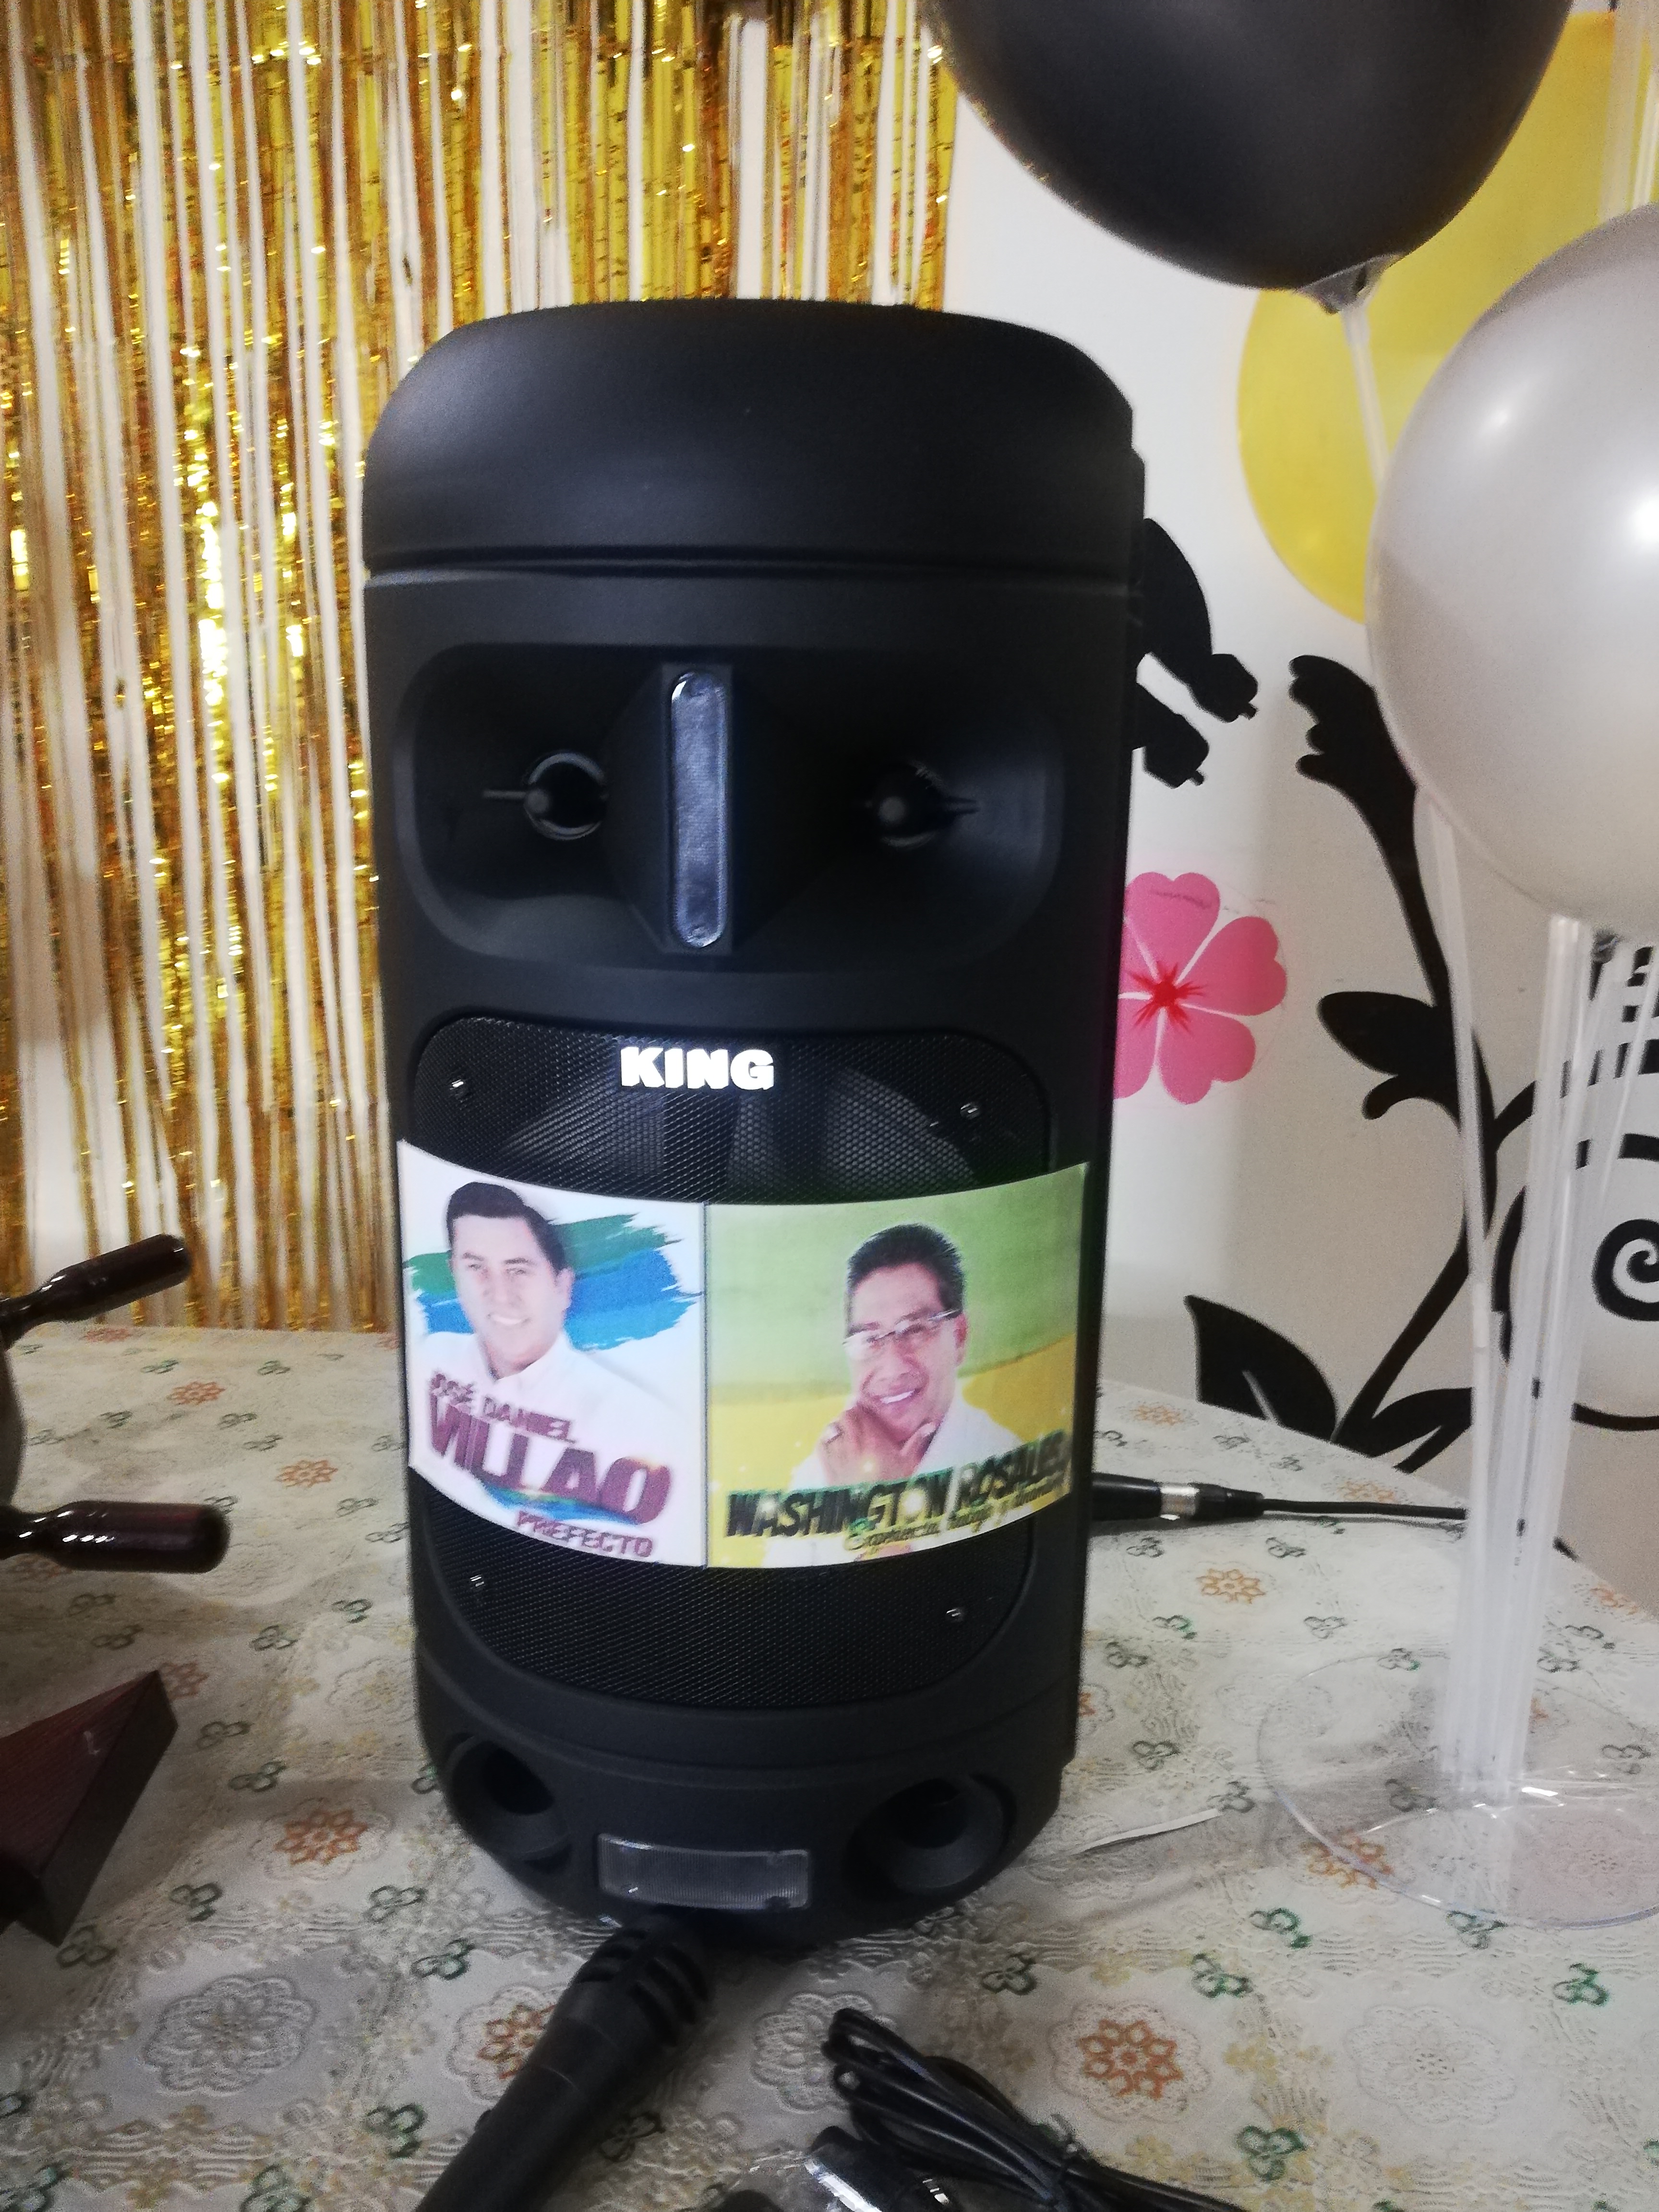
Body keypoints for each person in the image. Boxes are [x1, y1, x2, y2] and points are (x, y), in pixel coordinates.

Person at [414, 1181, 676, 1520]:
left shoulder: (636, 1420)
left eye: (519, 1270)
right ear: (455, 1274)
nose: (500, 1295)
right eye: (476, 1267)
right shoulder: (433, 1355)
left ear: (563, 1287)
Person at [792, 1223, 1017, 1490]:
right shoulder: (818, 1473)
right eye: (869, 1339)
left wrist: (876, 1497)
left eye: (914, 1330)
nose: (892, 1368)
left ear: (959, 1336)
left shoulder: (1002, 1459)